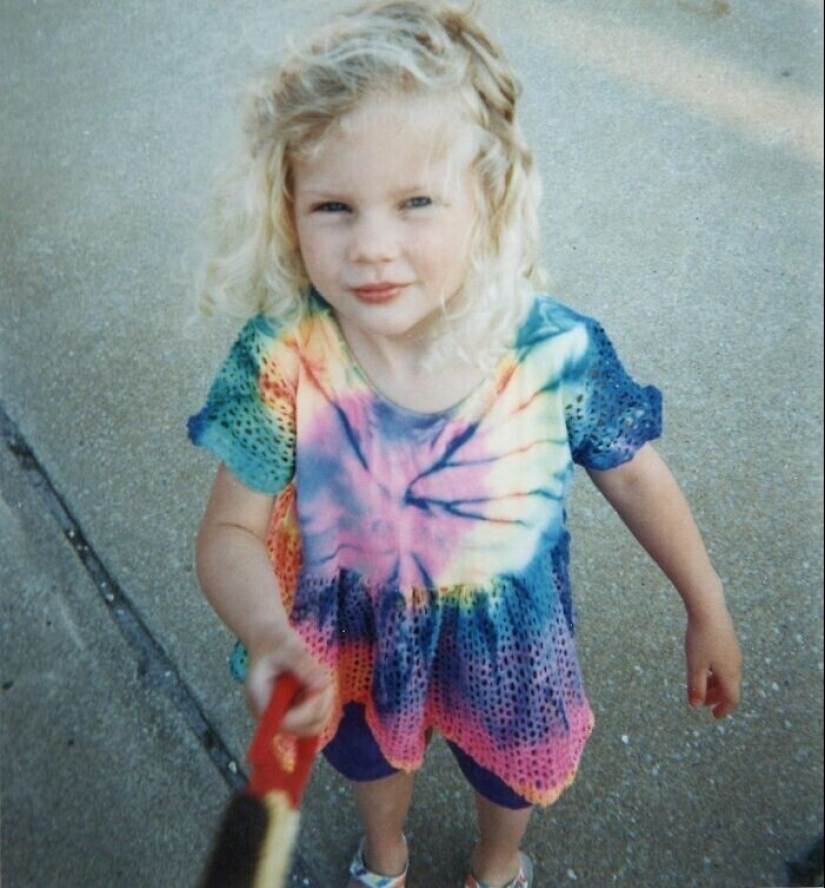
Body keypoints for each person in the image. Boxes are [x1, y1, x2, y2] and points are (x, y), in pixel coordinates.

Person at [187, 2, 743, 886]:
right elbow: (228, 534)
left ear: (487, 197)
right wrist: (266, 632)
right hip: (354, 645)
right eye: (334, 205)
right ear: (286, 206)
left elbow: (634, 478)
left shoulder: (553, 353)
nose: (373, 247)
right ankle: (386, 855)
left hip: (507, 649)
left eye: (415, 202)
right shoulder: (284, 361)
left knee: (504, 775)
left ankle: (496, 861)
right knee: (371, 767)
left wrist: (704, 602)